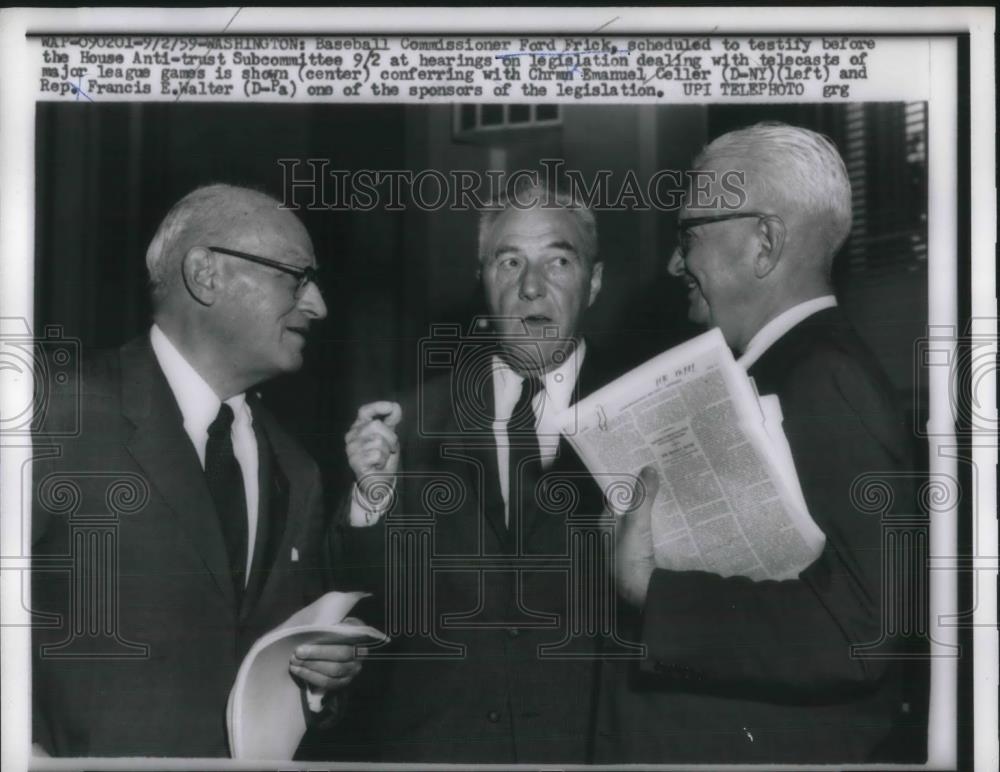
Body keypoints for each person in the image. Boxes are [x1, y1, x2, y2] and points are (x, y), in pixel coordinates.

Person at [596, 122, 926, 764]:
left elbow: (859, 630)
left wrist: (647, 589)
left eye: (688, 234)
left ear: (765, 243)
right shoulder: (782, 369)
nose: (673, 263)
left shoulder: (827, 378)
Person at [32, 185, 361, 757]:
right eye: (295, 276)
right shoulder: (59, 412)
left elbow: (281, 659)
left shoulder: (298, 470)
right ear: (205, 273)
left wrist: (321, 684)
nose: (318, 305)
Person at [318, 179, 624, 763]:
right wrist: (372, 500)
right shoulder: (410, 423)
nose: (530, 287)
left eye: (558, 259)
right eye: (508, 261)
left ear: (596, 280)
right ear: (482, 279)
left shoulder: (646, 412)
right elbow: (356, 612)